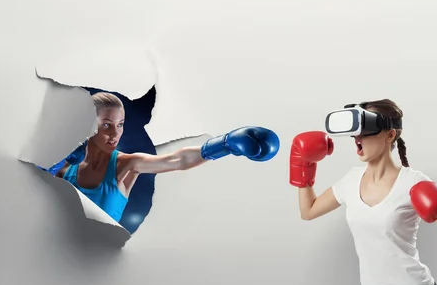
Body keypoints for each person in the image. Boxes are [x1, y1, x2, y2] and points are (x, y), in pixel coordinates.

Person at [289, 99, 437, 285]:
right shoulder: (350, 180)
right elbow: (308, 211)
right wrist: (302, 166)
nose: (357, 138)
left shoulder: (414, 183)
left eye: (366, 132)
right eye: (356, 133)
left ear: (390, 134)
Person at [56, 92, 280, 223]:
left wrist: (225, 144)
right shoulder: (64, 164)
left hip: (95, 266)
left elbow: (177, 160)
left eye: (120, 125)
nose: (115, 134)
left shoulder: (126, 164)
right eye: (106, 125)